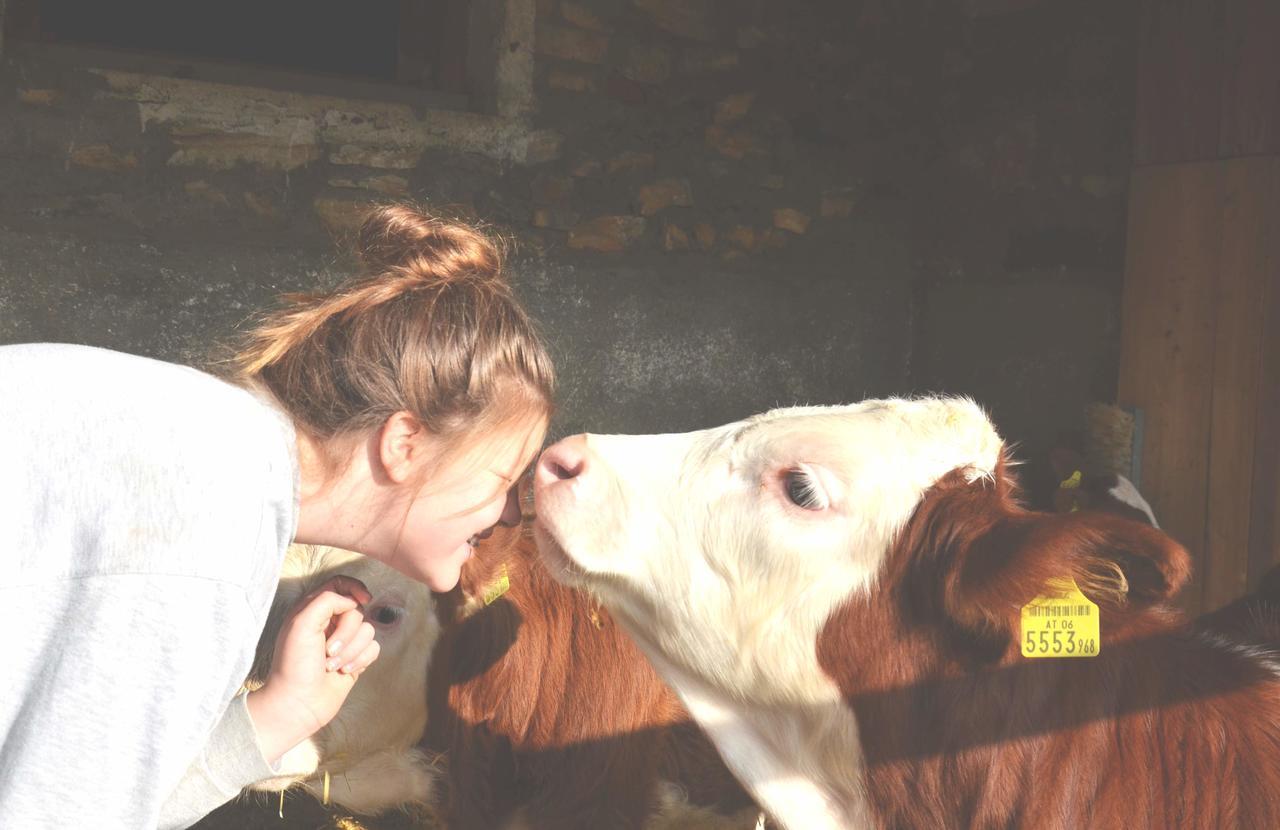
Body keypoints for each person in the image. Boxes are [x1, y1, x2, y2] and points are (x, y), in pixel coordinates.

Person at [0, 205, 556, 828]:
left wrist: (279, 714)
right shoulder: (206, 524)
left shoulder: (212, 446)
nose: (513, 510)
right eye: (505, 478)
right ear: (405, 445)